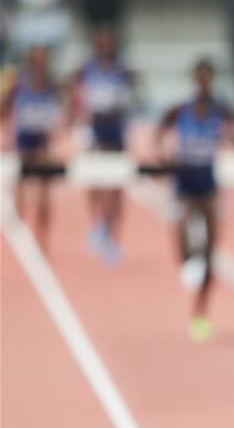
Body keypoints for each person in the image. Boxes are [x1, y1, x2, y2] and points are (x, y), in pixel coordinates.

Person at [155, 58, 234, 342]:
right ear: (194, 80)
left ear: (213, 80)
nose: (204, 83)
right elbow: (159, 132)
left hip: (208, 183)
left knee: (211, 251)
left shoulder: (221, 110)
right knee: (184, 243)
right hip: (184, 182)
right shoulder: (181, 109)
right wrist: (162, 153)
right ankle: (189, 259)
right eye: (200, 78)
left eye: (208, 78)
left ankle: (200, 312)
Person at [70, 25, 136, 264]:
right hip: (95, 130)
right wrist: (74, 114)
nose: (105, 46)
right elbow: (72, 90)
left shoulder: (123, 69)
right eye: (101, 42)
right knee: (94, 181)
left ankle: (114, 235)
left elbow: (136, 96)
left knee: (117, 186)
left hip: (116, 132)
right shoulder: (87, 68)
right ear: (96, 44)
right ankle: (98, 223)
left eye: (109, 42)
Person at [1, 44, 61, 244]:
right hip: (24, 139)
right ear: (31, 60)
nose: (41, 63)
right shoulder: (20, 82)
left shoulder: (52, 84)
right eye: (38, 59)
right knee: (21, 186)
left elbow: (62, 106)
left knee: (44, 190)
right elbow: (5, 106)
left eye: (44, 59)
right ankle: (20, 231)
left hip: (42, 140)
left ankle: (42, 235)